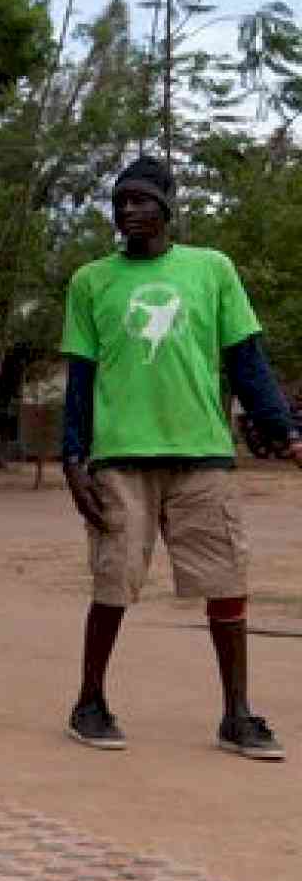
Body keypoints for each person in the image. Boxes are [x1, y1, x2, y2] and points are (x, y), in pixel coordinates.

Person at [60, 156, 300, 761]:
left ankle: (237, 715)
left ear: (168, 206)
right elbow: (81, 379)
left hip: (202, 456)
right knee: (114, 578)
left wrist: (286, 433)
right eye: (121, 201)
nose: (130, 211)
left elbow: (247, 361)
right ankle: (90, 702)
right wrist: (72, 457)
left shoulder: (211, 269)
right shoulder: (91, 280)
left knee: (226, 581)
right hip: (120, 459)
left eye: (142, 199)